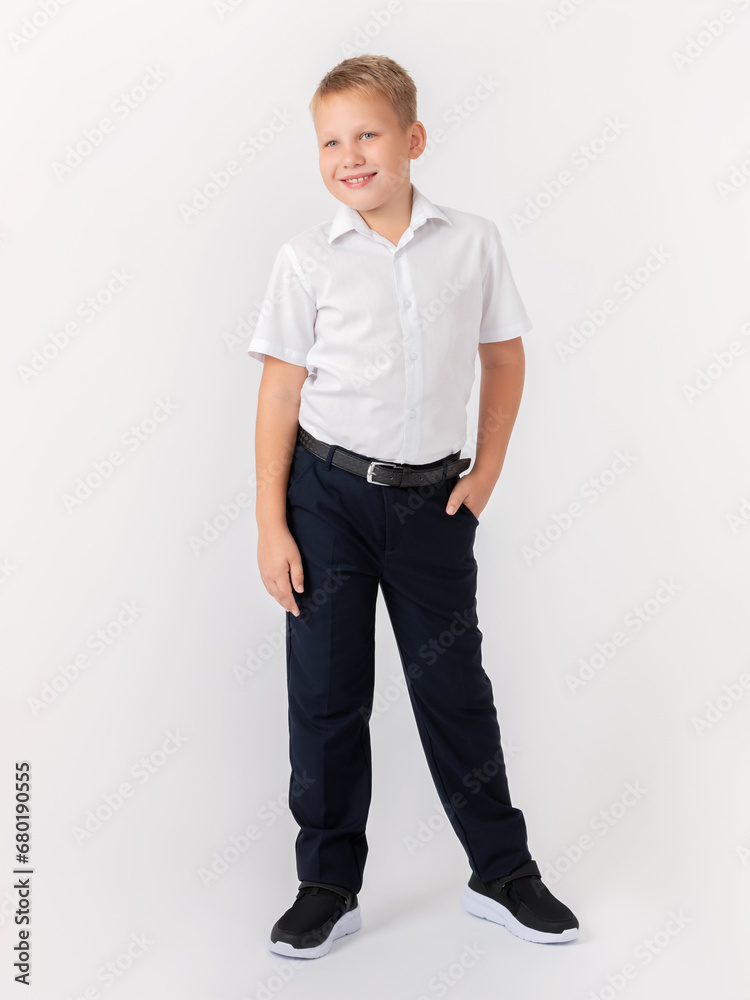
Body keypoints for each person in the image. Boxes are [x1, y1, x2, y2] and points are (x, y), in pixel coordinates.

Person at [247, 53, 579, 958]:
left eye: (368, 135)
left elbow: (503, 356)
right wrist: (273, 523)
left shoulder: (471, 243)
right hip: (325, 500)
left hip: (433, 504)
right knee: (326, 695)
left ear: (413, 139)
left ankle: (501, 872)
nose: (350, 156)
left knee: (454, 687)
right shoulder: (305, 259)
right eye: (330, 142)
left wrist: (488, 471)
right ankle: (328, 883)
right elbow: (279, 393)